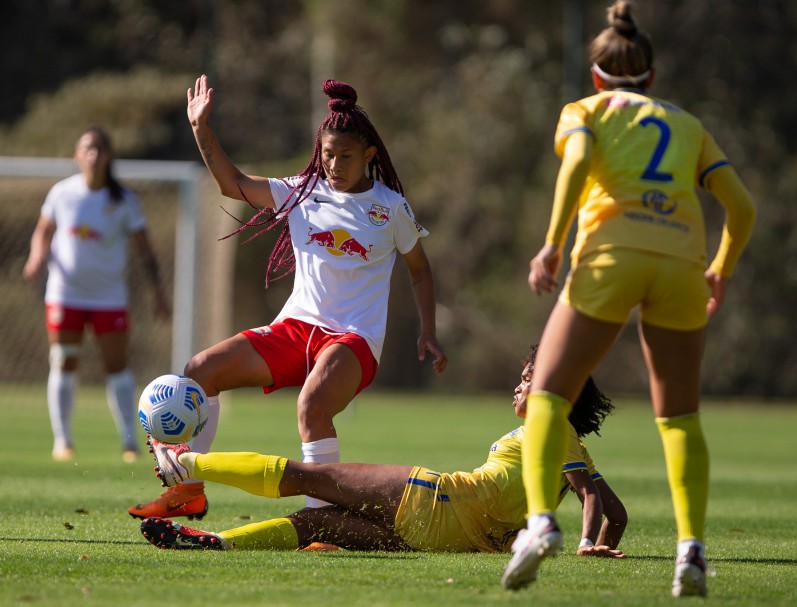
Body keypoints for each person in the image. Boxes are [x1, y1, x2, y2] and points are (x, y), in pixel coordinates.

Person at [501, 1, 757, 598]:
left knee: (546, 397)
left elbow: (581, 162)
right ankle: (690, 552)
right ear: (652, 78)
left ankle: (540, 524)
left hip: (610, 259)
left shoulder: (583, 110)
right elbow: (742, 207)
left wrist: (552, 245)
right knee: (680, 418)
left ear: (596, 77)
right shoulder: (688, 125)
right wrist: (719, 269)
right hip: (679, 266)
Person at [128, 75, 448, 521]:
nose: (334, 164)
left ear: (370, 155)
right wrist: (202, 129)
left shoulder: (390, 207)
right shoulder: (301, 191)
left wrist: (428, 330)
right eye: (328, 154)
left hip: (353, 338)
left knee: (312, 406)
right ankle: (187, 491)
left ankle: (323, 520)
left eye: (346, 156)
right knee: (202, 370)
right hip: (296, 329)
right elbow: (231, 183)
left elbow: (420, 271)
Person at [138, 346, 627, 558]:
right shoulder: (573, 444)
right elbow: (614, 511)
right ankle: (215, 542)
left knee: (309, 478)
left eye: (529, 378)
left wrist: (585, 542)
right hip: (453, 542)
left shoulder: (550, 424)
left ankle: (183, 461)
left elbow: (589, 498)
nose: (520, 386)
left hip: (435, 499)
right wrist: (602, 540)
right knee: (319, 522)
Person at [22, 126, 171, 463]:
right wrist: (35, 256)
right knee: (63, 361)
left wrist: (159, 293)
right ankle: (63, 441)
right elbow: (42, 231)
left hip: (109, 298)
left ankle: (130, 442)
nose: (93, 154)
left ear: (109, 156)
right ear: (76, 156)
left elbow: (146, 252)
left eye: (99, 148)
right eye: (86, 148)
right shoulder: (62, 193)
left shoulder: (125, 201)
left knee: (117, 367)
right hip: (64, 294)